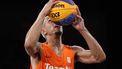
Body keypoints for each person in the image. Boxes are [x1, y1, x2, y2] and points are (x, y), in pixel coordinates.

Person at [24, 0, 106, 69]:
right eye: (50, 20)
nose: (55, 22)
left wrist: (83, 29)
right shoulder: (39, 49)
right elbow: (28, 44)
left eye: (56, 19)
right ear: (43, 31)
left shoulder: (73, 51)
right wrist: (43, 13)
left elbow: (99, 57)